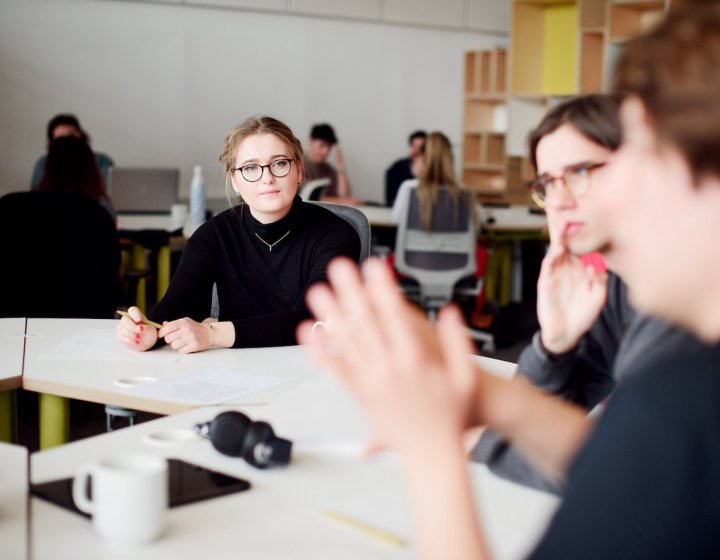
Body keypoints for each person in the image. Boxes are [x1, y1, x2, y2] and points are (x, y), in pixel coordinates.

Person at [298, 4, 720, 558]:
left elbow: (644, 457)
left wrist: (432, 446)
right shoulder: (681, 389)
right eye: (550, 182)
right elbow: (630, 465)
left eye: (636, 160)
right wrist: (491, 394)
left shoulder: (684, 392)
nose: (598, 200)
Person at [472, 95, 701, 494]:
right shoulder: (615, 287)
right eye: (546, 183)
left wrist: (477, 443)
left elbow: (634, 476)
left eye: (579, 171)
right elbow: (544, 420)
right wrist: (553, 346)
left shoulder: (687, 299)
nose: (559, 200)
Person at [116, 115, 360, 354]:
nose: (267, 177)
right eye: (251, 167)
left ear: (299, 170)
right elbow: (177, 303)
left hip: (313, 368)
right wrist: (148, 331)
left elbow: (309, 319)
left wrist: (213, 334)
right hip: (234, 369)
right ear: (234, 179)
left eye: (279, 163)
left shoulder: (336, 234)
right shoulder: (213, 235)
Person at [391, 131, 488, 317]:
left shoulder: (409, 189)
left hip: (413, 264)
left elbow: (396, 220)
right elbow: (480, 220)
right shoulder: (464, 193)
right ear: (450, 159)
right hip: (457, 268)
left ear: (423, 159)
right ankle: (473, 316)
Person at [36, 135, 117, 224]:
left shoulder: (29, 205)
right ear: (90, 168)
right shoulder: (102, 207)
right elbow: (111, 234)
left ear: (49, 167)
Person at [31, 114, 113, 191]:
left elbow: (109, 192)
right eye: (61, 138)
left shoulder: (102, 161)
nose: (69, 142)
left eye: (72, 135)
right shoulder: (43, 163)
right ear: (52, 142)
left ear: (81, 136)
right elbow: (36, 196)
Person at [303, 123, 361, 204]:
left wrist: (340, 167)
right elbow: (308, 198)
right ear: (310, 141)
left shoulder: (328, 170)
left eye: (329, 147)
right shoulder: (299, 166)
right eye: (321, 145)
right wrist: (343, 201)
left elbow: (345, 195)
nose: (325, 151)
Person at [384, 130, 426, 207]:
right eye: (414, 146)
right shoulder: (397, 167)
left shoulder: (431, 170)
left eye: (421, 148)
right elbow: (391, 199)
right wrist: (414, 175)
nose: (417, 151)